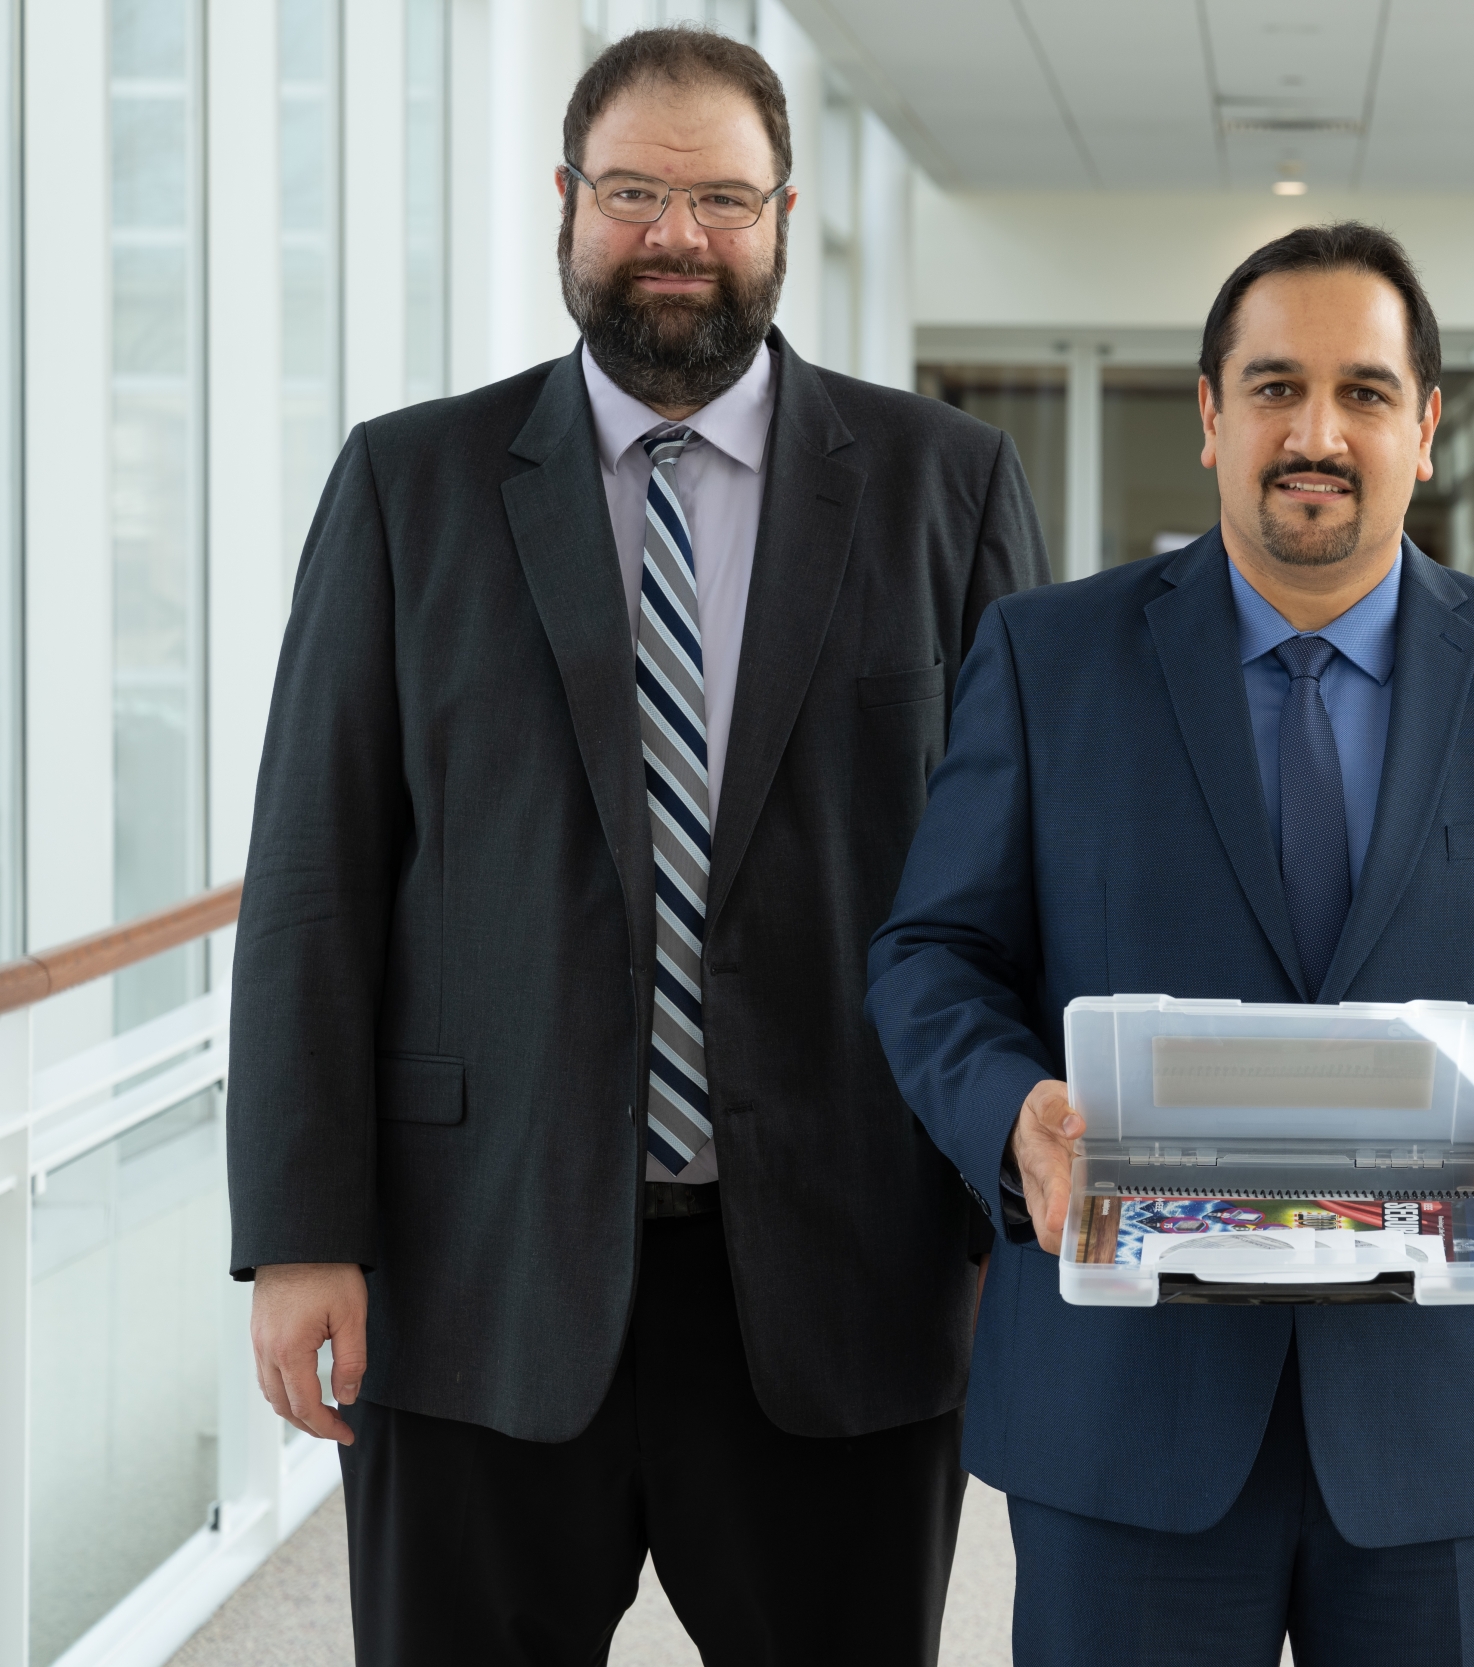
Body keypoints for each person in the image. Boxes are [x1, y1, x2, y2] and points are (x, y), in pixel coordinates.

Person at [224, 26, 1049, 1665]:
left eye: (722, 199)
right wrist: (300, 1228)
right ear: (564, 204)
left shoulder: (941, 488)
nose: (677, 236)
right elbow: (315, 874)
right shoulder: (412, 484)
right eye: (635, 193)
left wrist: (1009, 1220)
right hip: (481, 1268)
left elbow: (1020, 884)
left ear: (786, 216)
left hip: (850, 1276)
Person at [864, 222, 1474, 1665]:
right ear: (1209, 417)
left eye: (1366, 393)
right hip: (1127, 1416)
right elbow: (929, 957)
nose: (1316, 432)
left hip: (1441, 1420)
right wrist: (1014, 1120)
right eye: (1273, 387)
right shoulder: (1047, 660)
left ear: (1427, 428)